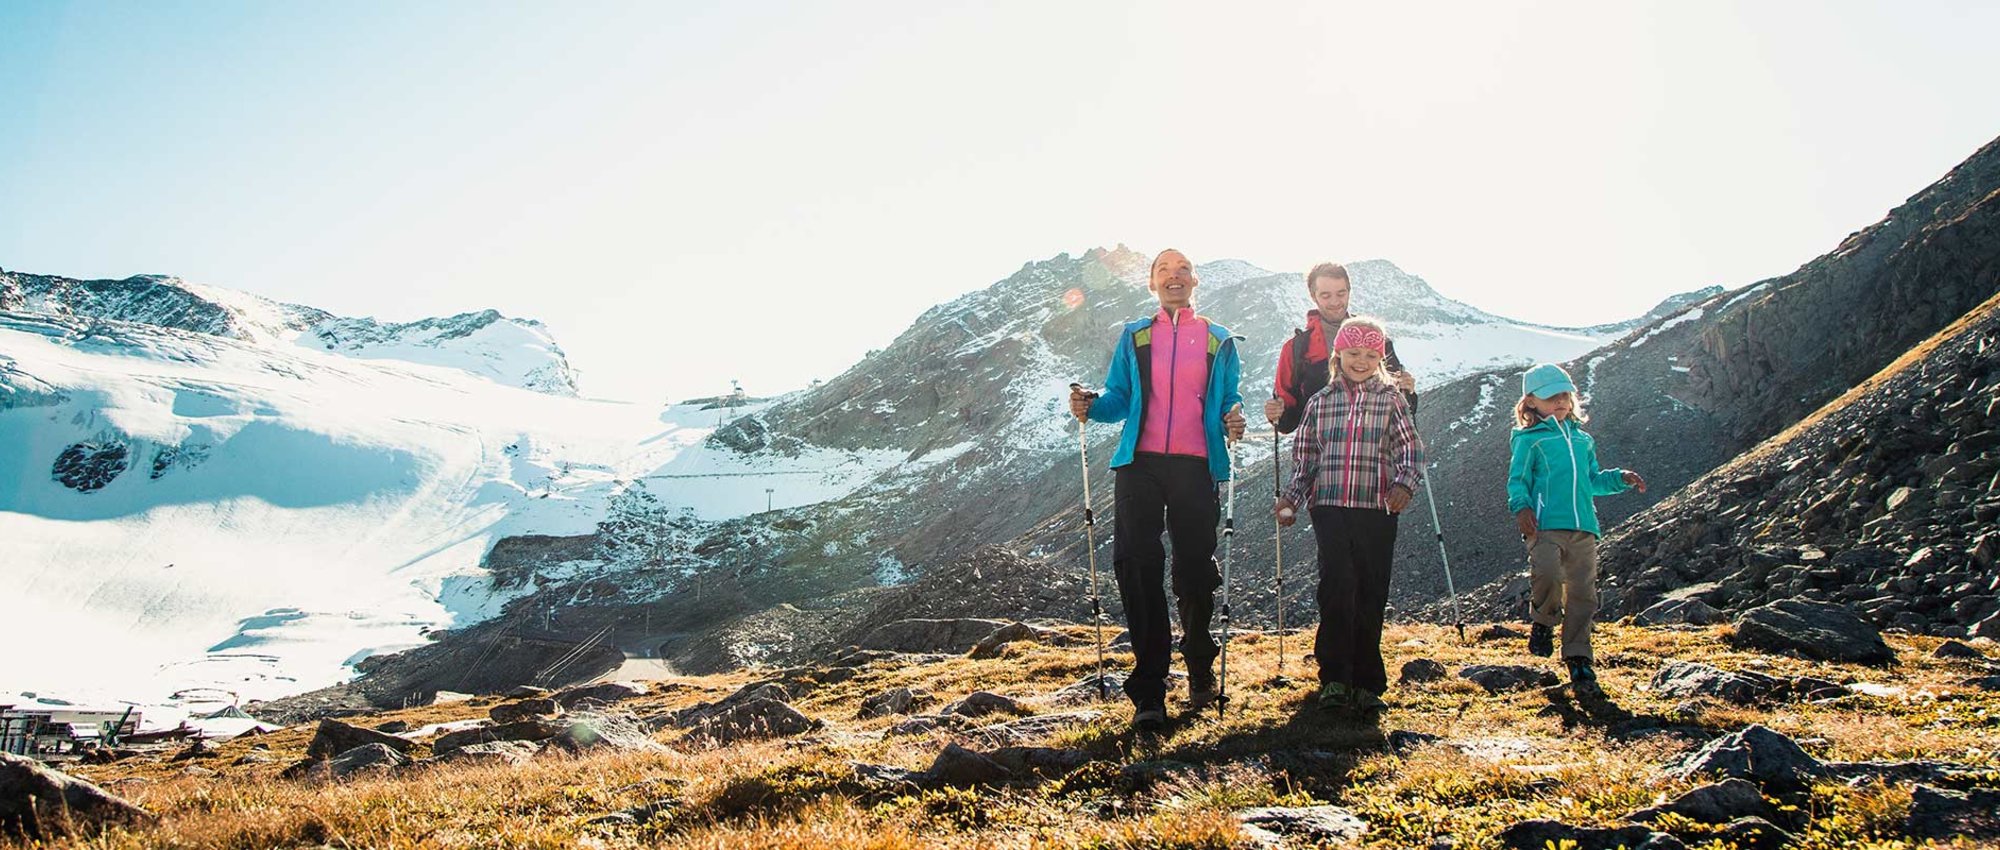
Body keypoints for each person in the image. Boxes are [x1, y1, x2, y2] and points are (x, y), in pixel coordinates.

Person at [1069, 248, 1246, 732]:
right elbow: (1119, 400)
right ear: (1152, 283)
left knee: (1193, 570)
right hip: (1139, 463)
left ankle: (1200, 666)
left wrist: (1234, 415)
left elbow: (1230, 395)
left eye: (1183, 269)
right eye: (1164, 270)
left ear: (1195, 281)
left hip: (1196, 464)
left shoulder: (1218, 339)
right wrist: (1090, 405)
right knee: (1137, 564)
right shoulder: (1135, 336)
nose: (1175, 276)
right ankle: (1148, 689)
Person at [1273, 316, 1424, 717]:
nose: (1362, 360)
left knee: (1371, 589)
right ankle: (1335, 678)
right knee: (1337, 586)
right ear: (1338, 354)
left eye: (1371, 354)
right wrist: (1290, 499)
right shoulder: (1321, 401)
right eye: (1354, 353)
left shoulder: (1392, 400)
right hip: (1330, 506)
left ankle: (1368, 682)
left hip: (1378, 506)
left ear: (1381, 358)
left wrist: (1405, 484)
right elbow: (1305, 458)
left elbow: (1411, 449)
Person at [1506, 363, 1647, 698]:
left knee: (1584, 593)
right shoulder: (1530, 441)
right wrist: (1522, 507)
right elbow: (1518, 480)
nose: (1560, 402)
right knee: (1549, 575)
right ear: (1531, 403)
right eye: (1551, 396)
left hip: (1584, 526)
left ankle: (1579, 657)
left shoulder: (1583, 440)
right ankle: (1543, 621)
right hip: (1544, 525)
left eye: (1564, 395)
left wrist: (1620, 478)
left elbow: (1593, 480)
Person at [1265, 262, 1419, 433]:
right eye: (1325, 295)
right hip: (1319, 452)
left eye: (1341, 293)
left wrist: (1408, 391)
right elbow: (1287, 423)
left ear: (1349, 291)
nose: (1335, 302)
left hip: (1374, 450)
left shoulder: (1375, 338)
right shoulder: (1296, 348)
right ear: (1313, 296)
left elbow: (1401, 404)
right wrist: (1277, 413)